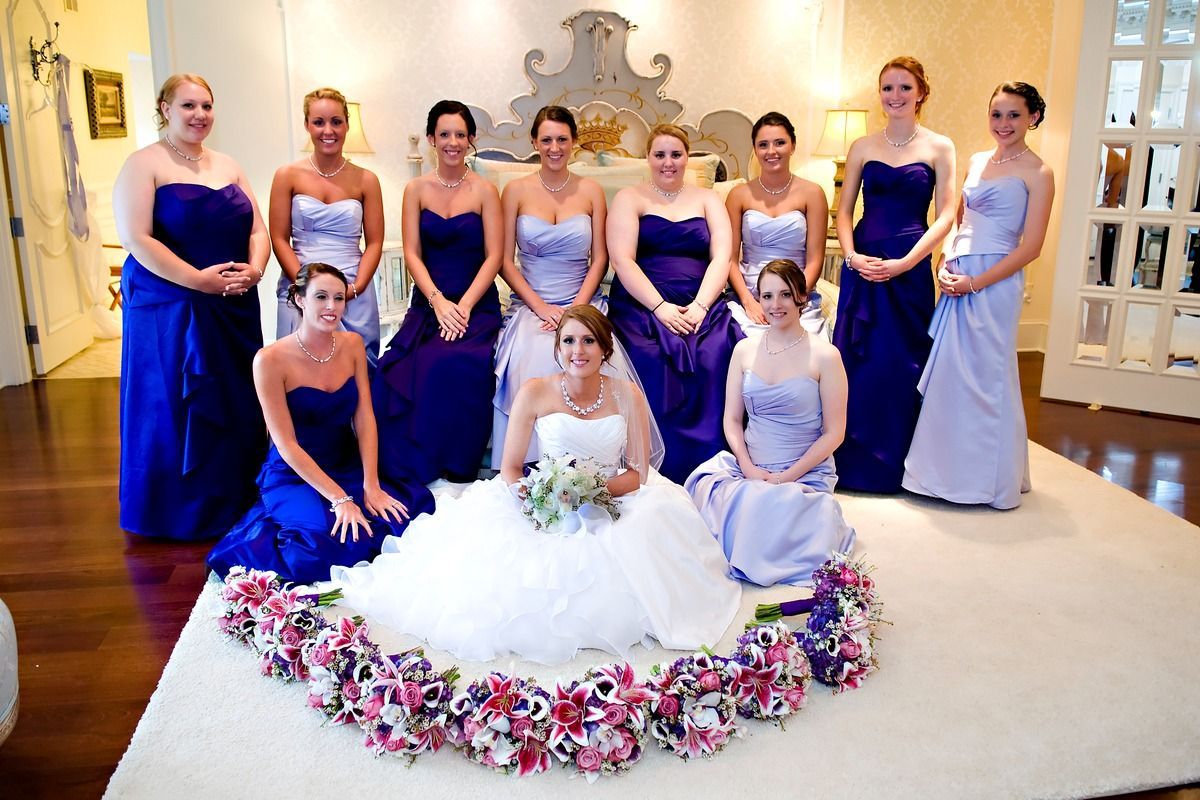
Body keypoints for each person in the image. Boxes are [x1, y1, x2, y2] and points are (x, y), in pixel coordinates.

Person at [332, 307, 742, 666]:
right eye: (568, 341)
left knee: (651, 540)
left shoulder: (627, 394)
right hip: (548, 495)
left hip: (613, 495)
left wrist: (592, 492)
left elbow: (637, 473)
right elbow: (509, 468)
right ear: (557, 347)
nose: (577, 350)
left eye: (588, 341)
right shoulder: (535, 391)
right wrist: (543, 496)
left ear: (605, 349)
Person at [207, 264, 435, 583]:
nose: (331, 307)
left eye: (339, 298)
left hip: (344, 460)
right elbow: (285, 444)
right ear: (300, 299)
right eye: (321, 297)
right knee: (311, 551)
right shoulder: (269, 360)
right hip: (294, 471)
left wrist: (371, 484)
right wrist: (340, 499)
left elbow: (364, 417)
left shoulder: (352, 344)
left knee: (399, 518)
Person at [113, 74, 268, 540]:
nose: (199, 115)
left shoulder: (229, 165)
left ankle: (237, 497)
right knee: (175, 403)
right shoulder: (144, 164)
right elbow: (135, 238)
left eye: (206, 105)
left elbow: (257, 229)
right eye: (188, 106)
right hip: (172, 303)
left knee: (236, 398)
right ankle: (180, 511)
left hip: (234, 303)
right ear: (165, 108)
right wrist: (197, 281)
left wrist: (257, 270)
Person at [903, 82, 1055, 509]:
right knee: (952, 372)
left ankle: (989, 481)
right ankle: (941, 476)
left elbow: (1032, 247)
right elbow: (958, 218)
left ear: (1033, 118)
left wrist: (977, 281)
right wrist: (946, 258)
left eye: (1013, 115)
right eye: (996, 115)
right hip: (958, 273)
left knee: (988, 375)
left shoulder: (1038, 172)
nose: (1003, 124)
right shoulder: (975, 160)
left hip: (995, 280)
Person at [687, 260, 855, 586]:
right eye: (767, 296)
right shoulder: (744, 350)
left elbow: (835, 433)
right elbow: (732, 420)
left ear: (801, 297)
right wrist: (749, 468)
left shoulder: (826, 356)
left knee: (776, 517)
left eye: (785, 295)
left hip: (803, 472)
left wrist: (787, 477)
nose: (775, 305)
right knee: (712, 508)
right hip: (751, 467)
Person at [832, 56, 956, 492]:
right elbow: (844, 211)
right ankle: (851, 466)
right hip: (863, 263)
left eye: (905, 87)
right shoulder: (863, 146)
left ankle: (902, 468)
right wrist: (850, 256)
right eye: (888, 88)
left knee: (903, 362)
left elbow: (945, 218)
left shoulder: (940, 146)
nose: (896, 96)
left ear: (921, 92)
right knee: (858, 363)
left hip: (909, 264)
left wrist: (908, 263)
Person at [492, 105, 639, 466]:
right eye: (546, 140)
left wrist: (574, 313)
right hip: (532, 302)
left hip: (583, 300)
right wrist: (541, 309)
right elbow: (504, 261)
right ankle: (531, 463)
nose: (554, 147)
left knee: (592, 353)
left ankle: (593, 460)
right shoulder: (514, 191)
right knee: (534, 352)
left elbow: (599, 259)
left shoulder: (590, 191)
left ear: (574, 142)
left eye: (562, 139)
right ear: (534, 143)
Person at [606, 123, 744, 482]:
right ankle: (653, 464)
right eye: (660, 155)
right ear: (647, 158)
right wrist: (659, 307)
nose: (668, 163)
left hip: (701, 300)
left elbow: (722, 257)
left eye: (676, 154)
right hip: (643, 303)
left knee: (714, 353)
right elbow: (623, 261)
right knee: (648, 356)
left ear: (687, 157)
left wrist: (700, 306)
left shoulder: (708, 199)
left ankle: (709, 463)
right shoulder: (629, 198)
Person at [374, 100, 502, 483]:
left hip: (474, 304)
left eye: (460, 134)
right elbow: (412, 252)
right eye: (444, 134)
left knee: (459, 364)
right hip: (430, 301)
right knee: (400, 366)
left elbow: (496, 255)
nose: (453, 142)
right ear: (431, 139)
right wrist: (438, 302)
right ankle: (413, 464)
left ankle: (458, 466)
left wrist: (461, 307)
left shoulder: (485, 191)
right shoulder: (415, 189)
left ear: (471, 139)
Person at [271, 88, 384, 365]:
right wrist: (306, 287)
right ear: (307, 125)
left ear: (347, 124)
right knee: (298, 367)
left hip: (353, 285)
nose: (328, 130)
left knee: (356, 367)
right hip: (300, 285)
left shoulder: (366, 180)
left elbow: (375, 243)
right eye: (318, 122)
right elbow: (278, 238)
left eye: (336, 121)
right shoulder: (287, 176)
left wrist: (354, 288)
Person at [725, 112, 830, 337]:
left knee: (804, 345)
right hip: (751, 292)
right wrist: (747, 301)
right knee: (743, 339)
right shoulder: (738, 195)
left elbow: (815, 259)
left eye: (779, 143)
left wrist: (796, 298)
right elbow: (729, 259)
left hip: (797, 290)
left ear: (792, 146)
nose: (771, 151)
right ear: (755, 150)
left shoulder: (813, 193)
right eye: (763, 145)